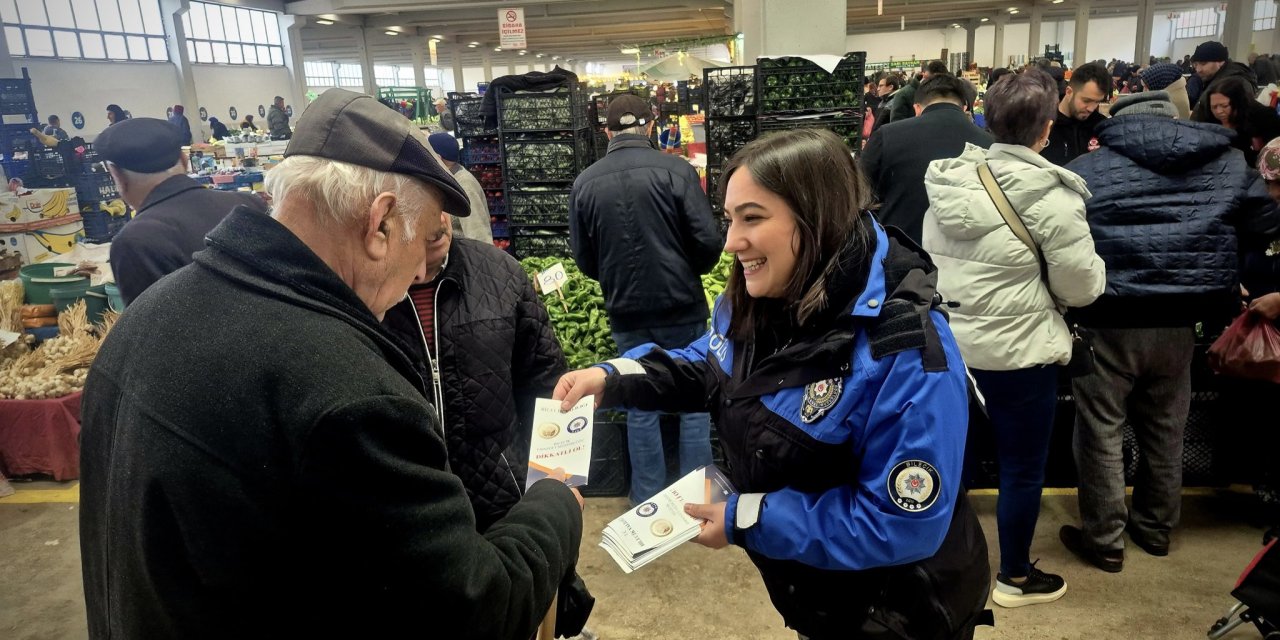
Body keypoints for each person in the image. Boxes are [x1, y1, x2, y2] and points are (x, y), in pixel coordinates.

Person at [79, 89, 583, 638]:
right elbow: (478, 610)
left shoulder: (151, 312)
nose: (417, 275)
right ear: (381, 224)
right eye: (421, 244)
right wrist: (555, 502)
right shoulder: (344, 387)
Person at [556, 128, 991, 640]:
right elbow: (711, 364)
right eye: (729, 219)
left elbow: (901, 523)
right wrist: (614, 377)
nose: (731, 241)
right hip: (820, 598)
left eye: (752, 218)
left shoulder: (905, 352)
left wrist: (747, 517)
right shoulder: (765, 294)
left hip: (895, 612)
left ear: (815, 217)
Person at [1061, 91, 1280, 572]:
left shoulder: (1087, 169)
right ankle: (1157, 528)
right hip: (1184, 318)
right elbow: (1265, 219)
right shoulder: (1226, 163)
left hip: (1108, 317)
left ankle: (1105, 540)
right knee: (1166, 428)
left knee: (1101, 430)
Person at [923, 68, 1106, 607]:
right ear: (1047, 128)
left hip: (954, 349)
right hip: (1022, 354)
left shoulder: (949, 183)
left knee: (952, 463)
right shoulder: (1053, 196)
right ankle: (1016, 577)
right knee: (1021, 469)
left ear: (986, 118)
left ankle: (946, 569)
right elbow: (1083, 285)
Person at [568, 93, 722, 506]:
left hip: (626, 313)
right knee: (694, 401)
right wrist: (690, 270)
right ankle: (696, 501)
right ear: (651, 127)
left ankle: (648, 498)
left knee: (639, 401)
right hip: (683, 306)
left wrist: (615, 279)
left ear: (606, 131)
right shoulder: (677, 170)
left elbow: (583, 258)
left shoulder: (585, 182)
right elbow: (708, 242)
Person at [98, 118, 265, 305]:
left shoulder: (134, 242)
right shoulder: (250, 205)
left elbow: (150, 330)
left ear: (117, 176)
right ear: (184, 160)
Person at [861, 74, 994, 243]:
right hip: (972, 256)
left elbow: (860, 193)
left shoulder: (887, 136)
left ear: (917, 108)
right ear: (965, 107)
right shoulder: (990, 144)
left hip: (901, 254)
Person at [1192, 76, 1280, 167]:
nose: (1218, 111)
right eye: (1214, 107)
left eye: (1224, 106)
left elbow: (1274, 154)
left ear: (1238, 103)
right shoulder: (1209, 120)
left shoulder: (1264, 117)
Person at [426, 131, 493, 243]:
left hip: (465, 255)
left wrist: (475, 260)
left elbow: (478, 234)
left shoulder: (464, 185)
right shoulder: (448, 179)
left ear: (438, 158)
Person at [1041, 62, 1111, 166]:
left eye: (1097, 102)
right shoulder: (1042, 124)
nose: (1091, 109)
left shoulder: (1101, 127)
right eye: (1086, 101)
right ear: (1069, 92)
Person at [1190, 40, 1257, 107]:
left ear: (1221, 62)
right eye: (1196, 64)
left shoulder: (1232, 84)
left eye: (1203, 63)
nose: (1198, 70)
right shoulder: (1217, 79)